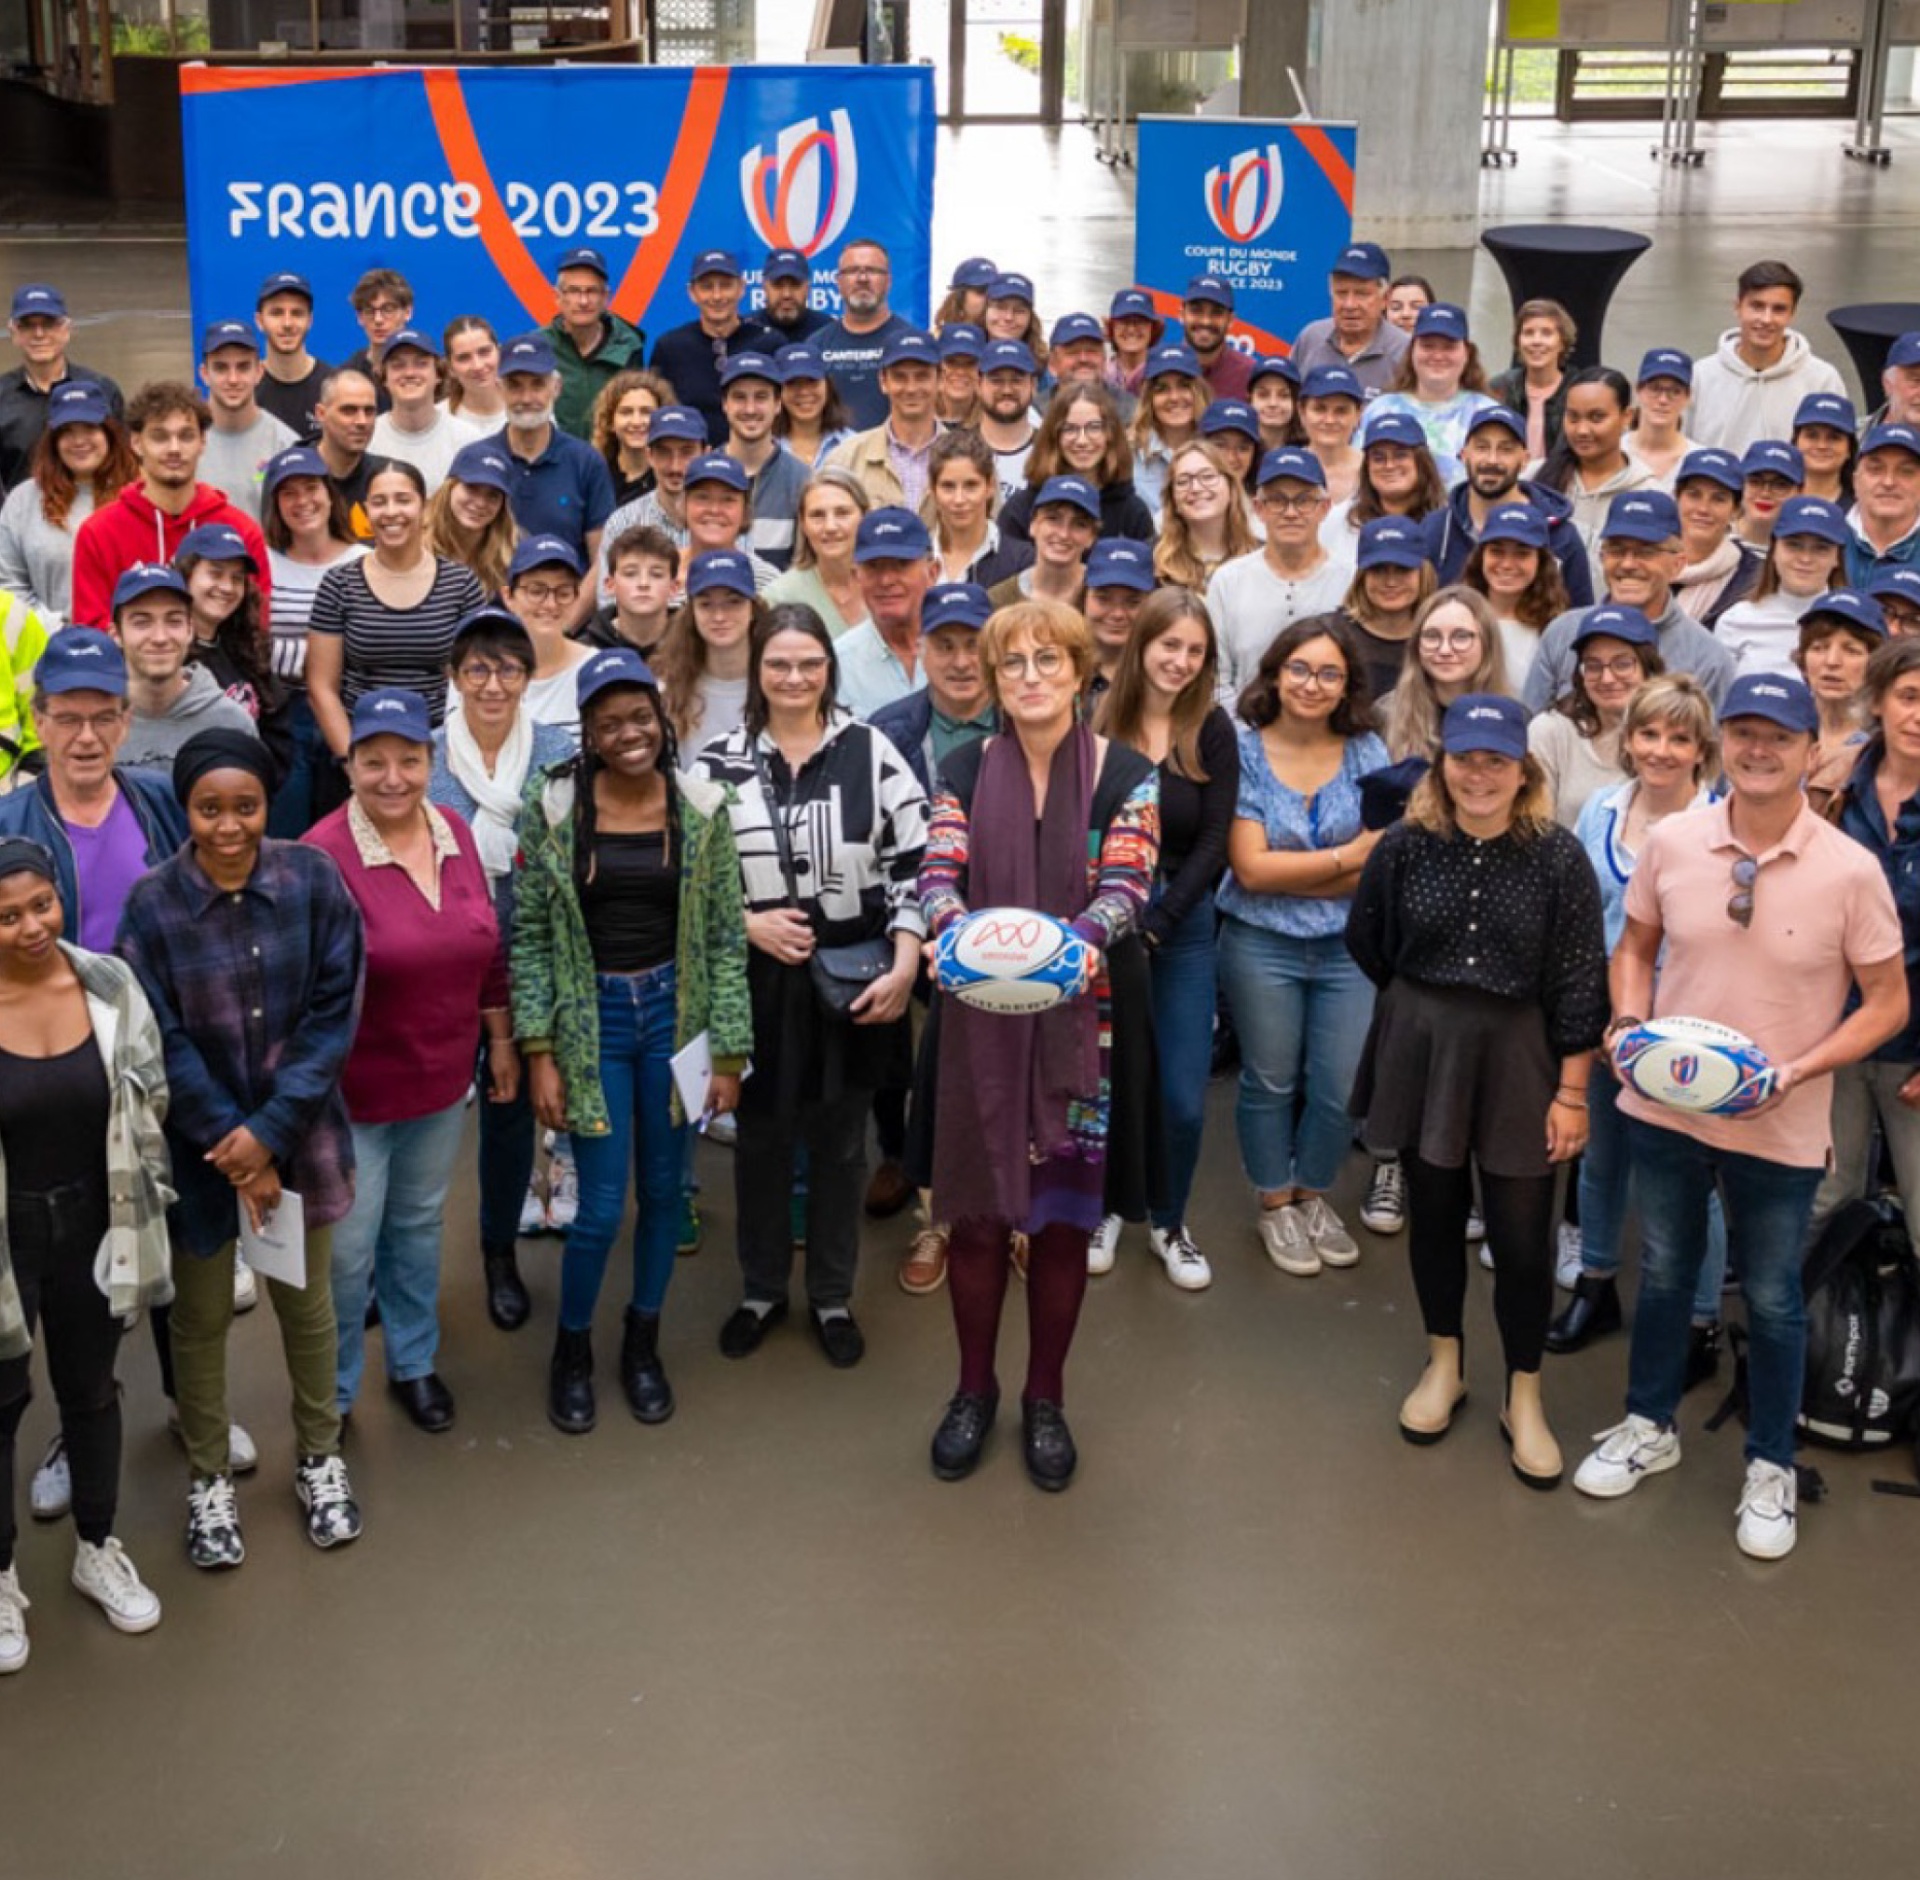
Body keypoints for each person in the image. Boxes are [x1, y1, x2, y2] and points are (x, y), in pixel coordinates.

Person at [1577, 673, 1905, 1559]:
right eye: (1745, 733)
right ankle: (1650, 1423)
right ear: (1724, 741)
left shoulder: (1851, 869)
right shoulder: (1676, 841)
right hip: (1667, 1102)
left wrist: (1802, 1068)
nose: (1759, 750)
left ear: (1811, 749)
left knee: (1771, 1293)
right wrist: (1628, 1021)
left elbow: (1885, 1004)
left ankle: (1769, 1464)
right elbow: (1636, 944)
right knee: (1670, 1268)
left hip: (1782, 1121)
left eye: (1780, 736)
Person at [920, 599, 1158, 1488]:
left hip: (1084, 1026)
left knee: (1062, 1224)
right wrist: (959, 934)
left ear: (1079, 671)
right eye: (1010, 662)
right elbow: (939, 870)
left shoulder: (1126, 774)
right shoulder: (956, 765)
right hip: (974, 1020)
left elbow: (1128, 885)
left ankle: (1044, 1397)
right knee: (975, 1222)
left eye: (1046, 661)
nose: (1028, 677)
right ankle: (972, 1390)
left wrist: (1065, 950)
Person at [117, 731, 366, 1569]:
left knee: (307, 1307)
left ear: (269, 804)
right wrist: (234, 1141)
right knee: (197, 1320)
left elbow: (335, 1015)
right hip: (200, 1155)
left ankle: (320, 1458)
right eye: (209, 808)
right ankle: (208, 1475)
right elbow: (156, 1034)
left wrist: (269, 1135)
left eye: (246, 806)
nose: (228, 826)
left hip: (301, 1141)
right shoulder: (152, 904)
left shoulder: (314, 881)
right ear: (185, 809)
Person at [1347, 694, 1608, 1488]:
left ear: (1522, 769)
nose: (1480, 775)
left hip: (1521, 1054)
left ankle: (1523, 1394)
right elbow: (1369, 939)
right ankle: (1445, 1364)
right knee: (1432, 1214)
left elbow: (1578, 981)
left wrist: (1571, 1092)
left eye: (1497, 760)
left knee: (1523, 1235)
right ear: (1442, 762)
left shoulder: (1557, 856)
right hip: (1422, 1043)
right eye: (1465, 758)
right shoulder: (1404, 846)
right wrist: (1420, 1013)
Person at [513, 641, 752, 1430]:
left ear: (661, 717)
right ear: (587, 731)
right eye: (608, 722)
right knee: (601, 1204)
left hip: (674, 1022)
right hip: (596, 1026)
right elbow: (533, 939)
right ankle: (572, 1349)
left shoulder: (702, 807)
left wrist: (728, 1051)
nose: (628, 733)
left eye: (639, 716)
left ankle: (641, 1342)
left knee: (664, 1191)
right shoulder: (550, 808)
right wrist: (538, 1050)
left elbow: (722, 937)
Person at [694, 605, 927, 1369]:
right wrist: (747, 923)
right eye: (778, 665)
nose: (794, 679)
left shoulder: (873, 752)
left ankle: (832, 1293)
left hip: (854, 982)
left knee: (840, 1143)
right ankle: (761, 1289)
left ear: (829, 668)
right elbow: (690, 887)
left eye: (810, 664)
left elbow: (916, 865)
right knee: (759, 1139)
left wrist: (903, 961)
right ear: (756, 671)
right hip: (754, 985)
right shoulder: (716, 765)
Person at [305, 689, 515, 1433]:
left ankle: (414, 1362)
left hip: (441, 1077)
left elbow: (486, 946)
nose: (393, 777)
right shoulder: (320, 856)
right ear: (350, 763)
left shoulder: (453, 828)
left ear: (430, 763)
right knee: (348, 1248)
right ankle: (328, 1394)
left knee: (421, 1226)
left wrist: (498, 1041)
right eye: (374, 761)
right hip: (354, 1092)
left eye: (409, 760)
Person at [0, 838, 168, 1668]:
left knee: (91, 1393)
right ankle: (0, 1577)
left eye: (43, 905)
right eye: (7, 915)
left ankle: (97, 1547)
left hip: (97, 1225)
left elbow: (150, 1092)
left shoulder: (108, 985)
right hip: (6, 1236)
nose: (31, 926)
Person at [1551, 676, 1726, 1368]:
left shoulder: (1720, 822)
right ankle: (1597, 1284)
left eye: (1679, 737)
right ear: (1628, 741)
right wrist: (1588, 1012)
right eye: (1648, 733)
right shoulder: (1599, 808)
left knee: (1684, 1180)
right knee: (1601, 1160)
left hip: (1683, 1033)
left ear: (1701, 749)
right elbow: (1577, 916)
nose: (1661, 749)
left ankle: (1701, 1322)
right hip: (1602, 1020)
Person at [1216, 612, 1384, 1277]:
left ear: (1348, 687)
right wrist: (1346, 860)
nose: (1312, 684)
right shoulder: (1243, 748)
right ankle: (1275, 1203)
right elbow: (1250, 871)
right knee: (1270, 1079)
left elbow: (1383, 867)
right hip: (1262, 946)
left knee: (1340, 1086)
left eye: (1329, 673)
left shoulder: (1369, 751)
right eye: (1299, 668)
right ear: (1276, 673)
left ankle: (1314, 1192)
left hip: (1349, 950)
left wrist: (1302, 877)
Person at [429, 608, 575, 1331]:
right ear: (455, 677)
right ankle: (398, 1266)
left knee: (509, 1110)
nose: (493, 683)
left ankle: (498, 1252)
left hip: (526, 961)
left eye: (508, 668)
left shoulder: (557, 753)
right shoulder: (420, 756)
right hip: (438, 967)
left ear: (528, 676)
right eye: (478, 668)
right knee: (416, 1118)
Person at [1087, 589, 1234, 1287]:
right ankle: (1107, 1207)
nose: (1179, 661)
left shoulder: (1211, 728)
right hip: (1102, 924)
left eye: (1194, 650)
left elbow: (1213, 842)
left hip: (1180, 926)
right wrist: (1113, 922)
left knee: (1179, 1092)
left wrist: (1159, 922)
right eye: (1168, 645)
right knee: (1107, 1083)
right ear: (1141, 642)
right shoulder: (1094, 720)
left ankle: (1169, 1220)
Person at [1814, 635, 1920, 1248]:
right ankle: (1819, 1341)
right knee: (1825, 1200)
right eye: (1907, 696)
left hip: (1914, 1047)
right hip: (1836, 1033)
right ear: (1877, 699)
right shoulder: (1831, 784)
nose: (1917, 714)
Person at [305, 459, 487, 812]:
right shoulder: (339, 584)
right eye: (379, 502)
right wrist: (353, 764)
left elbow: (475, 678)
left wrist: (444, 762)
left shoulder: (461, 584)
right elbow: (321, 686)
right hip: (359, 752)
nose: (392, 512)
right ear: (366, 511)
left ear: (424, 506)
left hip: (441, 754)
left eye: (403, 499)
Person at [70, 381, 270, 630]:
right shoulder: (98, 533)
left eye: (186, 436)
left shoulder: (241, 530)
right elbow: (92, 631)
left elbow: (257, 625)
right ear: (136, 443)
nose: (174, 449)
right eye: (160, 436)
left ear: (202, 442)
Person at [1524, 493, 1736, 713]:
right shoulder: (1563, 632)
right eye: (1616, 550)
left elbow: (1715, 744)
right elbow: (1528, 729)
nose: (1628, 563)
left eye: (1646, 552)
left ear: (1677, 564)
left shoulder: (1708, 658)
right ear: (1601, 557)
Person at [259, 447, 365, 833]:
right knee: (288, 831)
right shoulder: (265, 563)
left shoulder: (362, 562)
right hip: (284, 712)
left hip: (348, 709)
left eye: (310, 488)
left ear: (329, 493)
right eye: (289, 493)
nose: (302, 501)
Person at [1211, 448, 1350, 702]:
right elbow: (1217, 680)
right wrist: (1245, 734)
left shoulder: (1350, 580)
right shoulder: (1228, 581)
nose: (1290, 513)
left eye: (1304, 501)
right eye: (1276, 500)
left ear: (1325, 507)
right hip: (1245, 730)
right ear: (1259, 508)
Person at [1426, 404, 1594, 607]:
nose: (1492, 460)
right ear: (1464, 455)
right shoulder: (1435, 530)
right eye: (1482, 447)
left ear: (1524, 460)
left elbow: (1579, 618)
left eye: (1506, 450)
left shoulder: (1561, 537)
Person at [0, 381, 136, 631]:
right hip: (50, 653)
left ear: (109, 433)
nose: (79, 440)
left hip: (133, 652)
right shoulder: (23, 501)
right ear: (53, 439)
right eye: (67, 431)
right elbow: (8, 583)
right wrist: (57, 630)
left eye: (90, 428)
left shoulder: (139, 494)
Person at [496, 334, 616, 610]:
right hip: (495, 629)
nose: (526, 398)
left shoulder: (586, 462)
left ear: (557, 387)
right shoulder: (477, 459)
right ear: (499, 389)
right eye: (515, 386)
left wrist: (566, 627)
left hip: (568, 620)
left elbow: (602, 560)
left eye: (538, 385)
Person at [108, 564, 262, 774]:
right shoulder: (96, 725)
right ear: (115, 634)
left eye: (174, 621)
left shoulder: (231, 722)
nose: (160, 638)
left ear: (190, 629)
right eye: (142, 622)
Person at [175, 521, 294, 788]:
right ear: (185, 576)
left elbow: (277, 730)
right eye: (215, 574)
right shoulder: (166, 652)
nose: (227, 587)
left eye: (236, 578)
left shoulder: (246, 650)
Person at [1688, 259, 1848, 453]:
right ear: (1738, 307)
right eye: (1757, 306)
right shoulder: (1700, 376)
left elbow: (1836, 453)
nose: (1766, 319)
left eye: (1779, 309)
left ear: (1792, 313)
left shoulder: (1823, 379)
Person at [1528, 604, 1664, 829]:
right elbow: (1537, 829)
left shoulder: (1675, 736)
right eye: (1593, 666)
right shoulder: (1550, 731)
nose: (1607, 678)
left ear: (1648, 668)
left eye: (1622, 664)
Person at [0, 283, 123, 495]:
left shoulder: (102, 390)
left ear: (67, 329)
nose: (39, 334)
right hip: (17, 521)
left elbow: (123, 461)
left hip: (93, 517)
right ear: (14, 332)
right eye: (27, 325)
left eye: (49, 324)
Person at [999, 383, 1153, 550]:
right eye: (1069, 429)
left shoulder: (1132, 513)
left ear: (1110, 434)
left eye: (1094, 428)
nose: (1082, 441)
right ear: (1054, 436)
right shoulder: (1021, 510)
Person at [1715, 494, 1850, 678]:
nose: (1805, 559)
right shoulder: (1736, 621)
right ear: (1774, 550)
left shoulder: (1856, 625)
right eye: (1794, 546)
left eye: (1820, 548)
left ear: (1837, 558)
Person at [1533, 368, 1658, 560]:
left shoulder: (1647, 493)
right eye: (1573, 417)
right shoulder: (1535, 479)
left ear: (1627, 416)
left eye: (1596, 417)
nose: (1582, 430)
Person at [1365, 304, 1497, 486]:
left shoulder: (1488, 413)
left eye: (1449, 347)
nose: (1437, 355)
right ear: (1412, 351)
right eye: (1428, 346)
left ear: (1467, 353)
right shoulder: (1380, 410)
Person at [647, 249, 772, 436]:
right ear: (692, 292)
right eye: (707, 287)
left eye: (725, 285)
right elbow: (656, 415)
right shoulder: (670, 348)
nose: (717, 296)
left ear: (741, 288)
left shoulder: (769, 343)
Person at [1382, 586, 1511, 761]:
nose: (1444, 650)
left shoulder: (1512, 718)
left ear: (1487, 644)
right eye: (1432, 636)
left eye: (1461, 636)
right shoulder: (1385, 714)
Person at [836, 507, 938, 717]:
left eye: (901, 565)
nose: (886, 580)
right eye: (873, 567)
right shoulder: (838, 665)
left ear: (933, 572)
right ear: (856, 576)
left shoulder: (964, 655)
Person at [825, 329, 941, 514]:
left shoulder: (968, 457)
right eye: (900, 377)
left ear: (940, 380)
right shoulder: (845, 459)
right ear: (883, 381)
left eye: (922, 376)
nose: (911, 388)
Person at [658, 550, 762, 757]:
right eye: (706, 605)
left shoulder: (780, 682)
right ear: (692, 612)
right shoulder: (665, 688)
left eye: (733, 602)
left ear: (753, 608)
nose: (720, 616)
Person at [1460, 502, 1568, 696]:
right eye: (1497, 551)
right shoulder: (1456, 615)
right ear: (1481, 556)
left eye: (1522, 554)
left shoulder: (1556, 629)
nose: (1507, 564)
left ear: (1541, 561)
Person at [1321, 410, 1449, 572]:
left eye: (1400, 455)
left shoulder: (1447, 523)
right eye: (1379, 458)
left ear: (1421, 461)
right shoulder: (1340, 521)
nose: (1389, 465)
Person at [195, 320, 297, 522]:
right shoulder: (182, 441)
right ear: (205, 374)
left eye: (243, 367)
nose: (233, 379)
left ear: (259, 372)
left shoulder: (285, 444)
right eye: (221, 368)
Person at [1796, 589, 1887, 809]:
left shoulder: (1884, 746)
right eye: (1819, 648)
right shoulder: (1783, 728)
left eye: (1851, 651)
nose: (1832, 661)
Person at [544, 246, 647, 441]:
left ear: (606, 297)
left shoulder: (629, 346)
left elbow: (639, 414)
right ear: (558, 297)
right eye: (573, 291)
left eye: (592, 291)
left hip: (612, 463)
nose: (583, 301)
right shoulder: (538, 347)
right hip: (555, 463)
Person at [717, 353, 807, 570]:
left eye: (761, 397)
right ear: (724, 404)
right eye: (739, 397)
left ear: (778, 404)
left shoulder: (803, 480)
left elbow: (806, 570)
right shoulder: (700, 477)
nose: (750, 409)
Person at [501, 536, 595, 739]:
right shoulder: (478, 669)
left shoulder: (594, 668)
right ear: (508, 596)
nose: (550, 604)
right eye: (536, 591)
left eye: (563, 592)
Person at [814, 238, 912, 431]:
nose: (862, 279)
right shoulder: (816, 345)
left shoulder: (911, 344)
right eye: (852, 271)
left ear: (889, 281)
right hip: (833, 458)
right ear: (838, 282)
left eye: (873, 270)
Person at [1289, 242, 1408, 396]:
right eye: (1341, 293)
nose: (1350, 305)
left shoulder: (1404, 351)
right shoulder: (1311, 339)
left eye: (1362, 294)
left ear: (1385, 298)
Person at [763, 468, 871, 638]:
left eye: (842, 513)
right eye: (817, 515)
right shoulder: (780, 597)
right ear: (803, 524)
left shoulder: (888, 586)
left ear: (865, 517)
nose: (830, 527)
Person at [368, 329, 477, 494]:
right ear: (384, 378)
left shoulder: (467, 440)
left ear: (438, 374)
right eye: (398, 365)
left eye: (421, 363)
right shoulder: (367, 438)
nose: (410, 373)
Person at [595, 404, 707, 560]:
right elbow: (607, 584)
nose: (675, 466)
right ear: (649, 456)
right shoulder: (622, 524)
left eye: (686, 452)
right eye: (664, 452)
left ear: (705, 454)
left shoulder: (728, 523)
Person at [925, 429, 1028, 590]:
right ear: (933, 490)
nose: (959, 499)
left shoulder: (1022, 561)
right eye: (948, 486)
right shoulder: (914, 560)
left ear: (990, 487)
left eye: (971, 485)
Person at [1670, 447, 1761, 625]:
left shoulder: (1755, 579)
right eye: (1694, 495)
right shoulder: (1649, 562)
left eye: (1718, 499)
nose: (1703, 509)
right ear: (1677, 498)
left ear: (1735, 510)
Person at [1154, 439, 1258, 593]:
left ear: (1231, 488)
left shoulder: (1261, 558)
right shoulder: (1154, 563)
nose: (1195, 488)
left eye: (1208, 477)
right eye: (1183, 481)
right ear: (1173, 500)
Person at [423, 437, 518, 599]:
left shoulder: (514, 552)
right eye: (472, 488)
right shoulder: (413, 541)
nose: (480, 503)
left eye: (493, 495)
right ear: (450, 487)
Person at [986, 476, 1098, 610]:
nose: (1063, 534)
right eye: (1053, 519)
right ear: (1033, 525)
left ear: (1092, 537)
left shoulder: (1103, 597)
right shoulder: (999, 601)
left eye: (1079, 524)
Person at [1129, 344, 1211, 520]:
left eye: (1184, 386)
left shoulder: (1217, 448)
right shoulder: (1128, 454)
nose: (1174, 397)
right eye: (1162, 389)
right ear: (1148, 397)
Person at [1488, 298, 1575, 461]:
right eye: (1528, 333)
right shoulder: (1500, 387)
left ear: (1562, 342)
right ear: (1518, 341)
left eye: (1547, 333)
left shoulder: (1577, 390)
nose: (1536, 341)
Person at [252, 270, 331, 439]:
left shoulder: (333, 386)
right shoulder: (245, 388)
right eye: (277, 313)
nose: (287, 323)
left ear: (310, 321)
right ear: (259, 321)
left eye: (297, 313)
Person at [581, 522, 679, 656]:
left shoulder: (694, 648)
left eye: (656, 574)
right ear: (610, 585)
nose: (643, 583)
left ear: (674, 587)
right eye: (630, 573)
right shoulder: (583, 654)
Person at [311, 369, 385, 540]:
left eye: (369, 411)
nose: (362, 421)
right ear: (321, 414)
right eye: (349, 410)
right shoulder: (293, 478)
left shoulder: (388, 478)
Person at [1845, 422, 1920, 589]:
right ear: (1855, 481)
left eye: (1906, 471)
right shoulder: (1826, 539)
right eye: (1875, 469)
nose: (1889, 482)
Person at [1081, 539, 1157, 694]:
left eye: (1132, 602)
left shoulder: (1163, 676)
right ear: (1084, 597)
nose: (1117, 614)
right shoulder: (1060, 670)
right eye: (1104, 599)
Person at [590, 367, 674, 505]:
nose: (636, 422)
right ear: (610, 422)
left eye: (646, 412)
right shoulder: (594, 475)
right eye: (626, 412)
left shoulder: (672, 478)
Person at [976, 339, 1040, 504]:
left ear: (1033, 385)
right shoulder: (957, 449)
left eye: (1016, 381)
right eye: (996, 380)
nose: (1006, 390)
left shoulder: (1051, 451)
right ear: (978, 385)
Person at [771, 343, 855, 470]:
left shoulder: (853, 444)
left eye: (811, 381)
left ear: (828, 385)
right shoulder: (765, 448)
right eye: (792, 383)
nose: (804, 392)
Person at [1625, 348, 1698, 486]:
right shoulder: (1615, 452)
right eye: (1654, 389)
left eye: (1675, 391)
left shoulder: (1696, 460)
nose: (1663, 400)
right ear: (1638, 390)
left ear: (1687, 397)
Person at [1296, 364, 1367, 505]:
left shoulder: (1374, 472)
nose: (1329, 420)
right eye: (1319, 409)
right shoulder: (1284, 470)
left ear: (1358, 415)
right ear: (1302, 412)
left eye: (1341, 411)